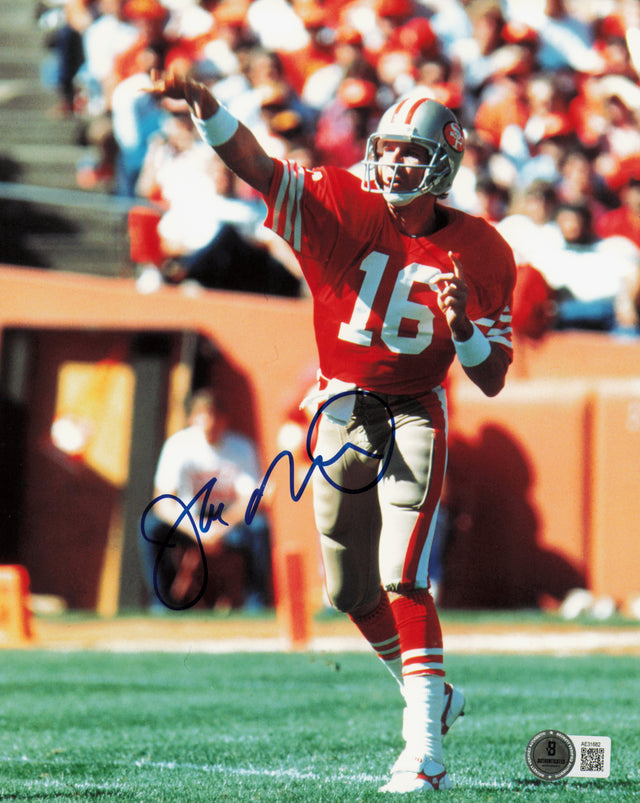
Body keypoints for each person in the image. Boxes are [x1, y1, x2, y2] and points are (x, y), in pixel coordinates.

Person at [146, 69, 516, 793]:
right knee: (349, 590)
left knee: (403, 573)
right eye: (389, 149)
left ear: (442, 165)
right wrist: (208, 108)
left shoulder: (483, 250)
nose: (395, 164)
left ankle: (425, 750)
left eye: (412, 153)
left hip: (414, 409)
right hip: (342, 407)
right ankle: (431, 692)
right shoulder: (343, 201)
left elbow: (494, 376)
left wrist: (463, 325)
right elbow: (256, 165)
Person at [140, 389, 272, 611]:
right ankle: (161, 604)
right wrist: (197, 530)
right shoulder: (177, 445)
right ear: (191, 419)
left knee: (259, 527)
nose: (210, 423)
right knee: (150, 527)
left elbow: (251, 500)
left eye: (214, 416)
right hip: (187, 522)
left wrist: (219, 527)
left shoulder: (241, 448)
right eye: (203, 416)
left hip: (228, 522)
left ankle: (256, 604)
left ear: (224, 419)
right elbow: (162, 503)